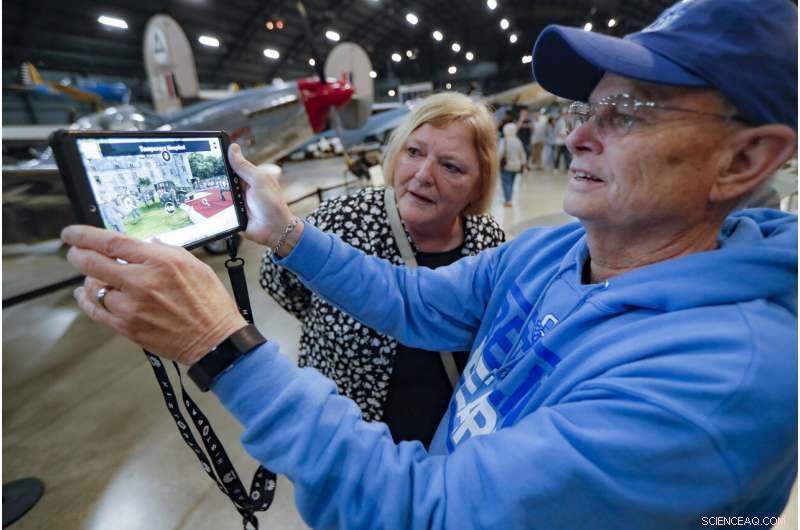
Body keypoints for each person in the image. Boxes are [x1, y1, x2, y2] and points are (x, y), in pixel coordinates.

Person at [63, 0, 797, 528]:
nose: (576, 139)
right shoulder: (552, 249)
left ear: (743, 159)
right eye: (586, 111)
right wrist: (286, 233)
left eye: (629, 112)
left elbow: (423, 513)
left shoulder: (721, 380)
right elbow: (413, 303)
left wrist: (219, 346)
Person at [259, 92, 505, 446]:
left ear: (478, 185)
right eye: (414, 152)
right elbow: (278, 280)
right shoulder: (340, 219)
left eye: (450, 166)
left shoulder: (487, 241)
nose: (422, 175)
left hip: (445, 446)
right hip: (347, 441)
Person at [498, 122, 528, 206]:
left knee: (506, 183)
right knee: (511, 182)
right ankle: (509, 198)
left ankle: (508, 200)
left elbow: (500, 153)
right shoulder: (518, 141)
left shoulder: (504, 141)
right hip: (517, 166)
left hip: (506, 166)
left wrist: (497, 162)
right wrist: (524, 163)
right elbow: (522, 153)